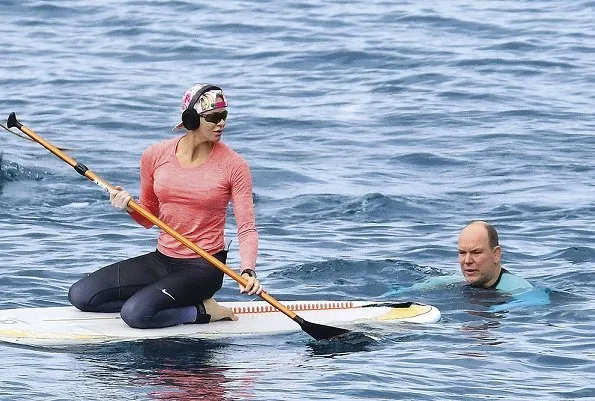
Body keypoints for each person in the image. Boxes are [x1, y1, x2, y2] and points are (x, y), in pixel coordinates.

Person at [68, 83, 263, 329]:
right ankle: (157, 301)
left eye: (224, 116)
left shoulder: (234, 165)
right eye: (213, 117)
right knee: (81, 296)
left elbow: (246, 227)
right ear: (191, 119)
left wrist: (248, 271)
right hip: (163, 260)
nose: (221, 123)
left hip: (204, 267)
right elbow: (149, 218)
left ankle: (202, 311)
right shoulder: (155, 155)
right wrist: (130, 207)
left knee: (135, 315)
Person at [457, 220, 533, 292]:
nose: (467, 261)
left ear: (496, 254)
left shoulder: (521, 291)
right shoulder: (457, 282)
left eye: (476, 253)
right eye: (462, 253)